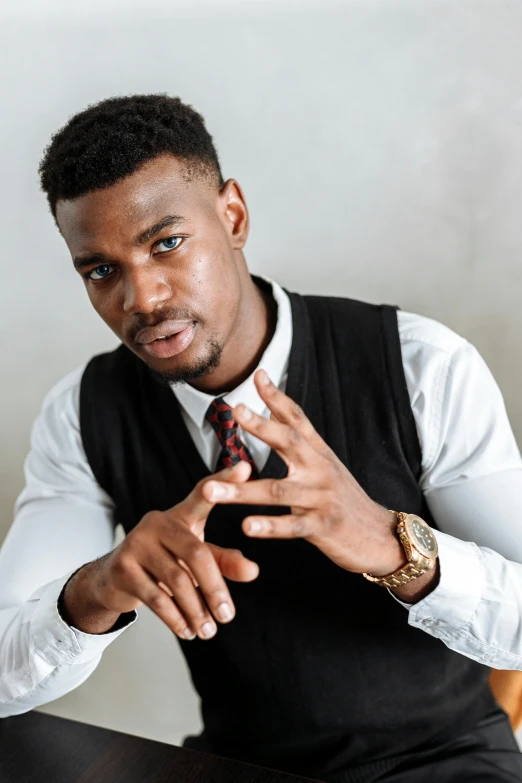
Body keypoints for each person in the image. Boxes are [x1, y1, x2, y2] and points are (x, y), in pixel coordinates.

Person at [1, 94, 522, 783]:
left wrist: (392, 543)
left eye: (166, 243)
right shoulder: (81, 412)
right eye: (101, 270)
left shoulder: (422, 365)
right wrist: (95, 589)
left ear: (233, 216)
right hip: (235, 764)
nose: (142, 298)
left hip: (444, 765)